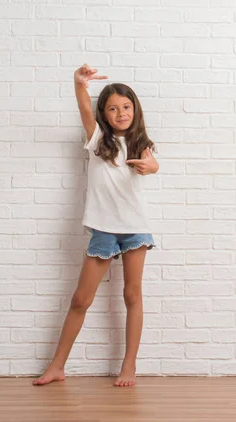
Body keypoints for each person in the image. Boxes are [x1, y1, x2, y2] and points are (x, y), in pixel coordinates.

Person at [33, 64, 159, 387]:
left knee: (132, 294)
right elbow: (82, 105)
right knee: (81, 299)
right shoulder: (97, 138)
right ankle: (57, 365)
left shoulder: (141, 142)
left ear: (135, 110)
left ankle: (129, 366)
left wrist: (149, 166)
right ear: (104, 113)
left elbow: (152, 164)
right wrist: (79, 83)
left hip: (134, 229)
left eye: (127, 107)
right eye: (113, 108)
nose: (121, 113)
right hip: (103, 229)